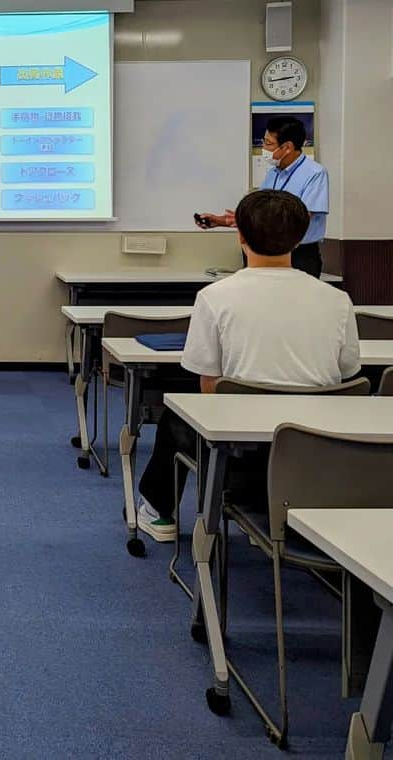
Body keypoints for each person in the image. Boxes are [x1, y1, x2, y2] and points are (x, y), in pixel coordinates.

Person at [138, 190, 360, 543]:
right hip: (320, 446)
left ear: (240, 235)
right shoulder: (337, 300)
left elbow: (208, 386)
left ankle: (158, 512)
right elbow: (349, 374)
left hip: (241, 450)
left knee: (176, 416)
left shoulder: (214, 297)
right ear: (301, 237)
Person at [196, 116, 328, 278]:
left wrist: (252, 220)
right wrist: (220, 221)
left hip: (299, 255)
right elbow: (261, 214)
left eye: (268, 143)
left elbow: (299, 220)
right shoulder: (273, 173)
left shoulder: (314, 173)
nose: (263, 148)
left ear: (287, 147)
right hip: (264, 253)